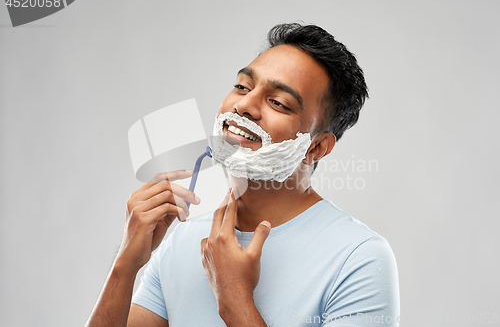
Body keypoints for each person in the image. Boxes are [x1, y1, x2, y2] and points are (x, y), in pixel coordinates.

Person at [85, 23, 399, 327]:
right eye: (242, 86)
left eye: (278, 102)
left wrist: (235, 300)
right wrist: (126, 264)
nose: (244, 105)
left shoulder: (359, 259)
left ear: (316, 148)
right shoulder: (183, 230)